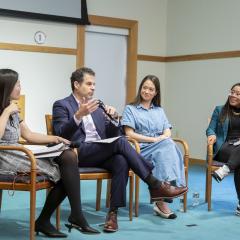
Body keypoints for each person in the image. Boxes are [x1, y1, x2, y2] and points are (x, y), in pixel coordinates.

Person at [52, 67, 187, 233]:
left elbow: (115, 134)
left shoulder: (96, 106)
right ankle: (154, 183)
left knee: (121, 160)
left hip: (98, 151)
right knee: (121, 144)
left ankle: (112, 214)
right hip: (76, 153)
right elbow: (59, 134)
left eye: (94, 84)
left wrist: (114, 118)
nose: (93, 87)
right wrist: (78, 115)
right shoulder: (62, 105)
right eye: (89, 84)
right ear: (76, 84)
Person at [0, 69, 100, 238]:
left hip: (18, 153)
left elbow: (29, 135)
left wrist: (56, 138)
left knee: (68, 156)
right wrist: (6, 112)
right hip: (5, 156)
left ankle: (64, 217)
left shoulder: (15, 110)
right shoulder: (8, 110)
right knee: (65, 173)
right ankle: (57, 219)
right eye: (17, 84)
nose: (20, 87)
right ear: (7, 87)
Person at [121, 75, 185, 219]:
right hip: (139, 148)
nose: (147, 91)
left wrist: (163, 137)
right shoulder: (130, 109)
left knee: (167, 146)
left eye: (151, 89)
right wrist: (154, 139)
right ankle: (165, 194)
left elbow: (167, 130)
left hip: (160, 146)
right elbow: (129, 133)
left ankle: (161, 197)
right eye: (145, 88)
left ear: (156, 93)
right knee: (168, 147)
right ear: (140, 89)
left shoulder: (159, 110)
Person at [207, 83, 240, 216]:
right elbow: (210, 128)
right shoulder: (219, 110)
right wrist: (212, 134)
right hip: (224, 147)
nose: (233, 95)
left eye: (237, 94)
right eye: (232, 92)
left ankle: (225, 170)